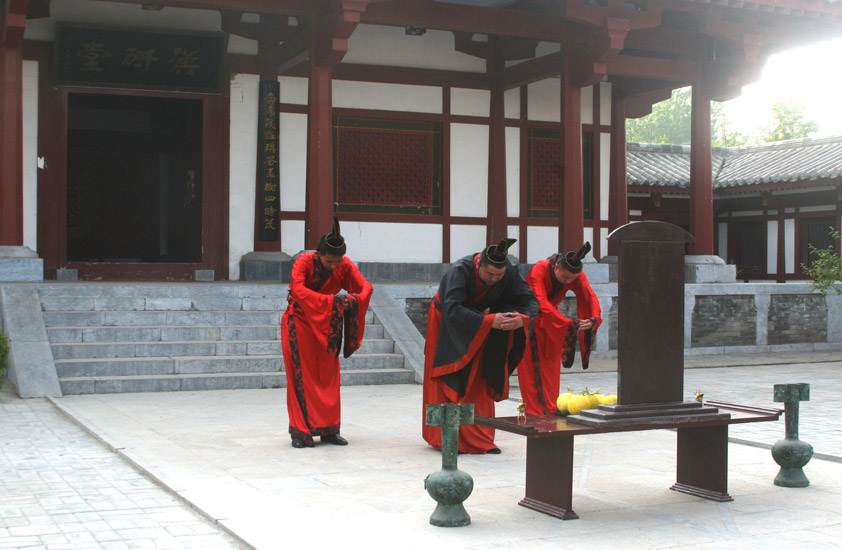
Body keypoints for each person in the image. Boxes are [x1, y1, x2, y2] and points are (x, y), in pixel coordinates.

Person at [422, 238, 538, 454]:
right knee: (449, 372)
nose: (494, 279)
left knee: (479, 373)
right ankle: (444, 437)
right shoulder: (459, 270)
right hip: (446, 318)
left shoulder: (509, 272)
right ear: (478, 265)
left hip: (481, 321)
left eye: (499, 275)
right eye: (489, 275)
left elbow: (529, 300)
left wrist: (523, 319)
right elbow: (453, 307)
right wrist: (487, 321)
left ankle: (481, 437)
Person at [281, 217, 373, 448]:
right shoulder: (303, 262)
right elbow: (298, 289)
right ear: (319, 255)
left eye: (338, 261)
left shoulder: (345, 264)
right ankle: (300, 432)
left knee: (329, 378)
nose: (334, 266)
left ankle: (330, 430)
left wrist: (353, 300)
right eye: (330, 261)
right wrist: (335, 301)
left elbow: (365, 288)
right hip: (299, 323)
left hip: (327, 325)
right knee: (301, 377)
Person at [517, 242, 602, 416]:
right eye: (565, 277)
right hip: (531, 320)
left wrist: (594, 319)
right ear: (556, 267)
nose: (569, 282)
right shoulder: (539, 269)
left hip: (553, 321)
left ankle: (551, 407)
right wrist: (566, 322)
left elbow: (589, 295)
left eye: (572, 279)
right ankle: (537, 412)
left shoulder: (576, 275)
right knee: (532, 370)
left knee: (551, 368)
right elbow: (540, 301)